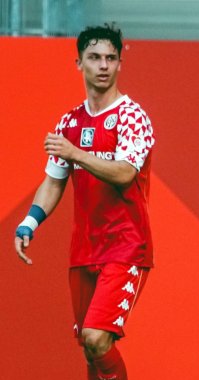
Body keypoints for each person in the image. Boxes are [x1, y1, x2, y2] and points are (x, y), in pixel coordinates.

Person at [14, 24, 155, 380]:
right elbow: (53, 181)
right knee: (90, 353)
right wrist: (29, 222)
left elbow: (125, 173)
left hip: (126, 246)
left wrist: (77, 152)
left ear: (121, 63)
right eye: (94, 58)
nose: (104, 65)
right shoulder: (69, 122)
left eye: (111, 58)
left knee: (96, 337)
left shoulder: (131, 116)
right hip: (84, 250)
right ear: (79, 63)